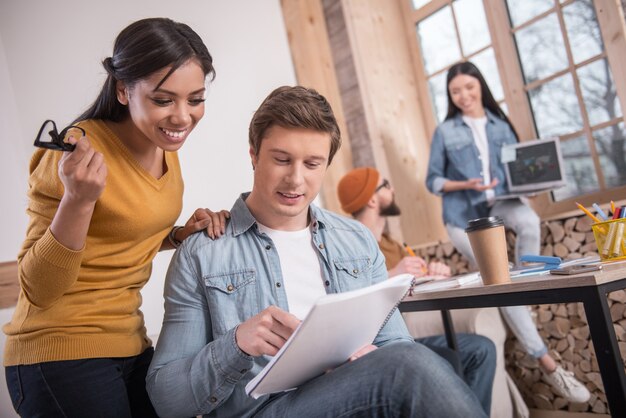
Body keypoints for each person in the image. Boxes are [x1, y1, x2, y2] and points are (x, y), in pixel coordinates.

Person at [146, 86, 486, 418]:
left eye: (312, 164)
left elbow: (397, 345)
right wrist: (236, 344)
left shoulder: (356, 241)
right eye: (281, 160)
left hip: (353, 396)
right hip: (264, 409)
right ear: (254, 155)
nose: (296, 180)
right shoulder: (203, 252)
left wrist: (373, 357)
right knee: (412, 366)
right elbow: (167, 399)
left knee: (419, 360)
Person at [3, 18, 229, 417]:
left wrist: (176, 235)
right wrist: (77, 200)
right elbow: (37, 287)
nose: (182, 117)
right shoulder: (74, 153)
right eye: (164, 100)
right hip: (60, 351)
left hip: (130, 341)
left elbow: (116, 233)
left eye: (195, 99)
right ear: (123, 90)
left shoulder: (164, 147)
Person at [425, 61, 590, 403]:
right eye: (455, 92)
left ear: (480, 87)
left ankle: (527, 276)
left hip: (500, 203)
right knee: (500, 278)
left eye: (469, 88)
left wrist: (530, 186)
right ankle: (548, 364)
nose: (463, 96)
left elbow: (517, 172)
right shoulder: (445, 131)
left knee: (529, 221)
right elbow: (433, 181)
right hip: (463, 215)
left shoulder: (501, 125)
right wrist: (464, 183)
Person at [337, 166, 496, 414]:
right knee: (450, 359)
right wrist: (392, 275)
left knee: (481, 349)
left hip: (404, 334)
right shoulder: (348, 246)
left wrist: (432, 273)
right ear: (371, 198)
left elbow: (414, 280)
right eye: (387, 185)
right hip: (375, 344)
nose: (393, 189)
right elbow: (347, 297)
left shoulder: (392, 244)